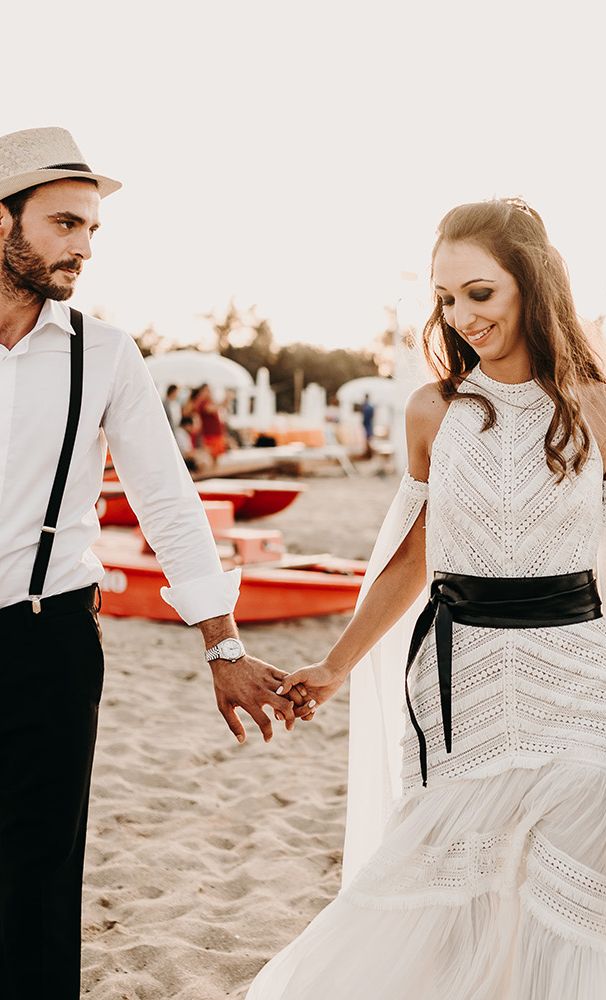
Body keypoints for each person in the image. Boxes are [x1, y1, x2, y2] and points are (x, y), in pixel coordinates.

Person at [246, 198, 606, 998]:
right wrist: (337, 663)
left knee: (582, 911)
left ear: (532, 285)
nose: (461, 316)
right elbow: (410, 554)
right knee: (454, 903)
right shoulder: (433, 410)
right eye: (447, 298)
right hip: (462, 684)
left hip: (582, 684)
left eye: (479, 294)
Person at [0, 127, 310, 1000]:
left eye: (93, 230)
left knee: (38, 880)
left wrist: (223, 644)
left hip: (48, 638)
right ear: (1, 223)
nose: (84, 248)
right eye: (65, 224)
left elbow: (167, 501)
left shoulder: (104, 355)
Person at [360, 392, 375, 458]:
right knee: (368, 439)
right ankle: (369, 454)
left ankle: (368, 454)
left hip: (366, 424)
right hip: (368, 424)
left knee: (366, 440)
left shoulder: (364, 406)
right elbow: (372, 416)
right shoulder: (370, 406)